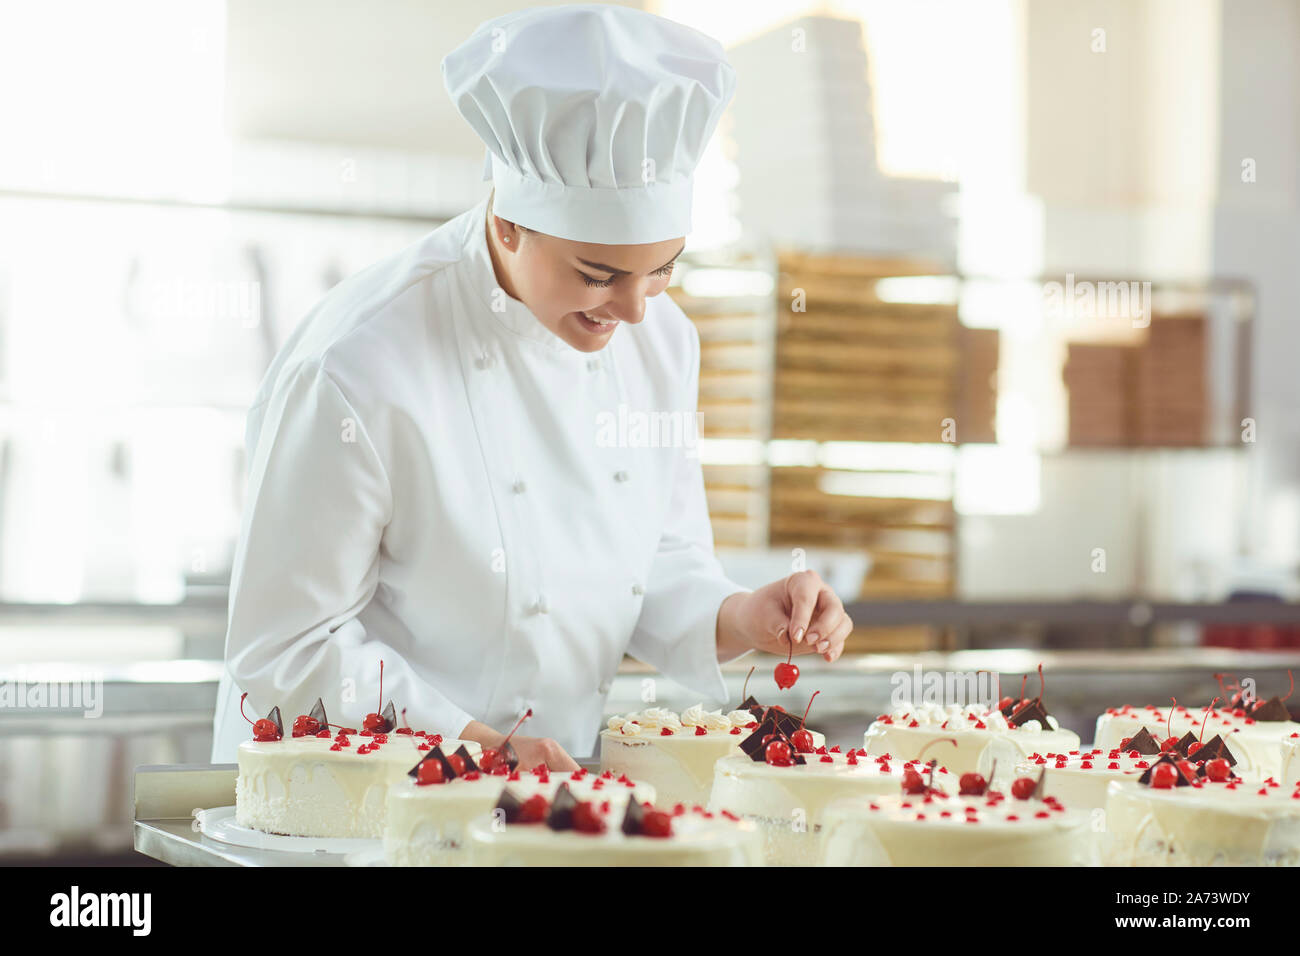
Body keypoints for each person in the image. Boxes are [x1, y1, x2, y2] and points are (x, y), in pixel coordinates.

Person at [210, 4, 853, 768]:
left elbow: (656, 564)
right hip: (363, 801)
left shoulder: (663, 340)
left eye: (662, 268)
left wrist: (744, 613)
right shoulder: (360, 364)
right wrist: (474, 747)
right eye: (597, 274)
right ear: (509, 223)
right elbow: (285, 652)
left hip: (553, 799)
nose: (635, 309)